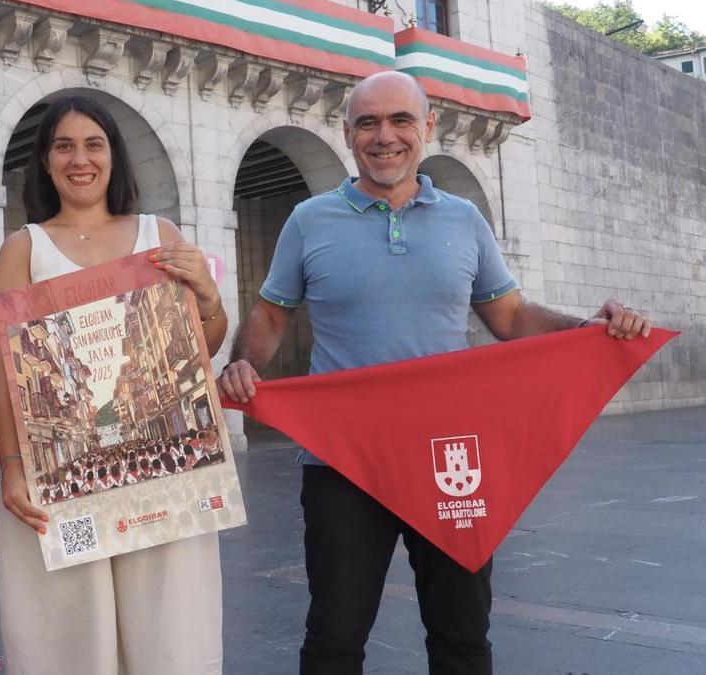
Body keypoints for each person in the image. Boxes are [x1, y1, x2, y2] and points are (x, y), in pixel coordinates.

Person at [216, 71, 651, 675]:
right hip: (344, 461)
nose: (384, 136)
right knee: (334, 638)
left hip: (452, 460)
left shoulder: (465, 220)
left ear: (429, 127)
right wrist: (243, 362)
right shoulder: (309, 221)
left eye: (400, 120)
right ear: (347, 134)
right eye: (368, 123)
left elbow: (511, 316)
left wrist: (588, 331)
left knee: (462, 636)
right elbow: (270, 312)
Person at [0, 95, 228, 674]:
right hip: (62, 475)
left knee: (170, 630)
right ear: (45, 162)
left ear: (114, 156)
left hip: (160, 471)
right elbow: (5, 373)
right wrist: (13, 464)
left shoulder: (158, 234)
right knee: (72, 635)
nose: (80, 159)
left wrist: (210, 297)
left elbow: (203, 344)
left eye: (94, 144)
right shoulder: (23, 248)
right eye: (63, 146)